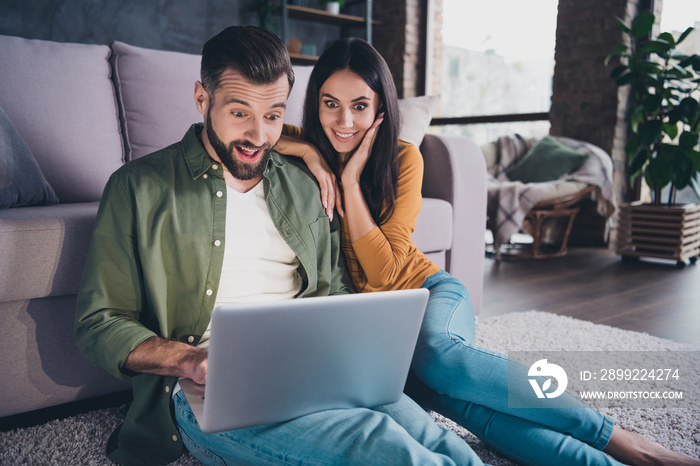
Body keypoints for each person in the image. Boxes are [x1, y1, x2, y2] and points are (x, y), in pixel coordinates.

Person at [74, 26, 490, 466]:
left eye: (273, 115)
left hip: (315, 367)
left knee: (441, 444)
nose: (258, 135)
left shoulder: (306, 185)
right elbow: (99, 322)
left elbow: (337, 291)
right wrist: (190, 360)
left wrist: (355, 352)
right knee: (380, 447)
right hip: (216, 388)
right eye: (240, 114)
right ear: (202, 100)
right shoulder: (136, 188)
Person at [276, 37, 700, 466]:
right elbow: (245, 130)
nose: (344, 120)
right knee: (464, 406)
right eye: (330, 104)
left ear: (381, 108)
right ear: (316, 107)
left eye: (360, 106)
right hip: (376, 335)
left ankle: (622, 440)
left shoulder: (403, 158)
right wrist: (309, 149)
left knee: (441, 357)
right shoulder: (310, 151)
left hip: (429, 293)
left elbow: (385, 273)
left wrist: (349, 185)